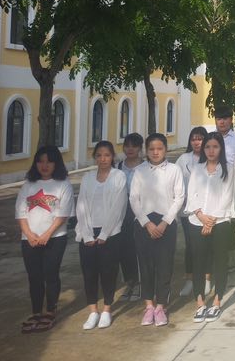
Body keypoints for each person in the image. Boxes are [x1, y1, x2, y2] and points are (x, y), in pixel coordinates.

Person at [16, 146, 74, 333]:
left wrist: (47, 235)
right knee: (34, 277)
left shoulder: (63, 184)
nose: (44, 165)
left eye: (49, 161)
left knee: (50, 274)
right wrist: (29, 234)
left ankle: (50, 311)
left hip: (55, 238)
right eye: (40, 161)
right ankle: (35, 312)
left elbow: (63, 214)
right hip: (29, 240)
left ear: (56, 163)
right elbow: (21, 212)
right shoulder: (28, 185)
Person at [129, 133, 185, 327]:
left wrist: (164, 222)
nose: (155, 152)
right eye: (151, 149)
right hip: (144, 224)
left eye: (159, 148)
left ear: (166, 150)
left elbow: (179, 197)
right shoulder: (139, 171)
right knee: (145, 266)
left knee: (164, 266)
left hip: (166, 224)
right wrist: (147, 223)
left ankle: (161, 306)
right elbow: (133, 198)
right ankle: (149, 306)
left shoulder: (174, 170)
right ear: (146, 150)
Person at [76, 141, 127, 329]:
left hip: (111, 233)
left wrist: (105, 233)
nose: (103, 159)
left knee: (108, 272)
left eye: (107, 155)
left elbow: (118, 207)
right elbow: (81, 205)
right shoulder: (87, 178)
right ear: (94, 157)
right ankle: (93, 311)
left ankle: (106, 309)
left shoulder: (118, 176)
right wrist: (87, 234)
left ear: (112, 156)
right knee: (89, 273)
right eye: (99, 155)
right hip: (88, 233)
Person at [186, 132, 235, 323]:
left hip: (220, 222)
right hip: (197, 221)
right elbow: (191, 194)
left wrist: (211, 220)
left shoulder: (228, 169)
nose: (211, 150)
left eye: (215, 146)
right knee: (198, 262)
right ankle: (200, 302)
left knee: (220, 262)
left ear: (221, 148)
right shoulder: (197, 169)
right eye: (207, 147)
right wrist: (201, 216)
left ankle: (217, 301)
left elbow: (227, 196)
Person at [176, 126, 208, 297]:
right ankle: (189, 279)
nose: (197, 142)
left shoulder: (210, 157)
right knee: (190, 245)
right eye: (194, 139)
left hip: (206, 210)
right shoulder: (183, 159)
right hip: (188, 210)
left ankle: (207, 278)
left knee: (206, 245)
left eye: (200, 138)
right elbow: (177, 182)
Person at [118, 132, 144, 302]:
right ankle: (129, 282)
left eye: (134, 146)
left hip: (140, 211)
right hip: (121, 212)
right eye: (127, 145)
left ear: (140, 148)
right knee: (124, 248)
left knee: (138, 247)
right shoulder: (118, 167)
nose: (130, 149)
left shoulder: (145, 167)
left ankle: (140, 282)